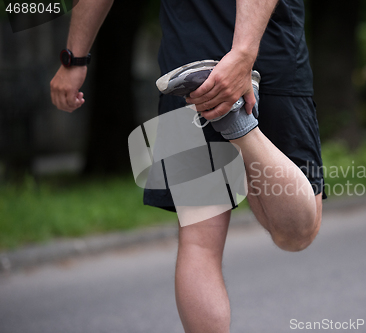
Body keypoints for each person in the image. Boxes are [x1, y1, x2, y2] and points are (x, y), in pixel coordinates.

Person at [50, 0, 326, 331]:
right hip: (271, 54)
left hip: (188, 75)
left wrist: (73, 59)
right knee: (297, 234)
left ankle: (230, 117)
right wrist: (241, 54)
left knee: (199, 242)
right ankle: (239, 125)